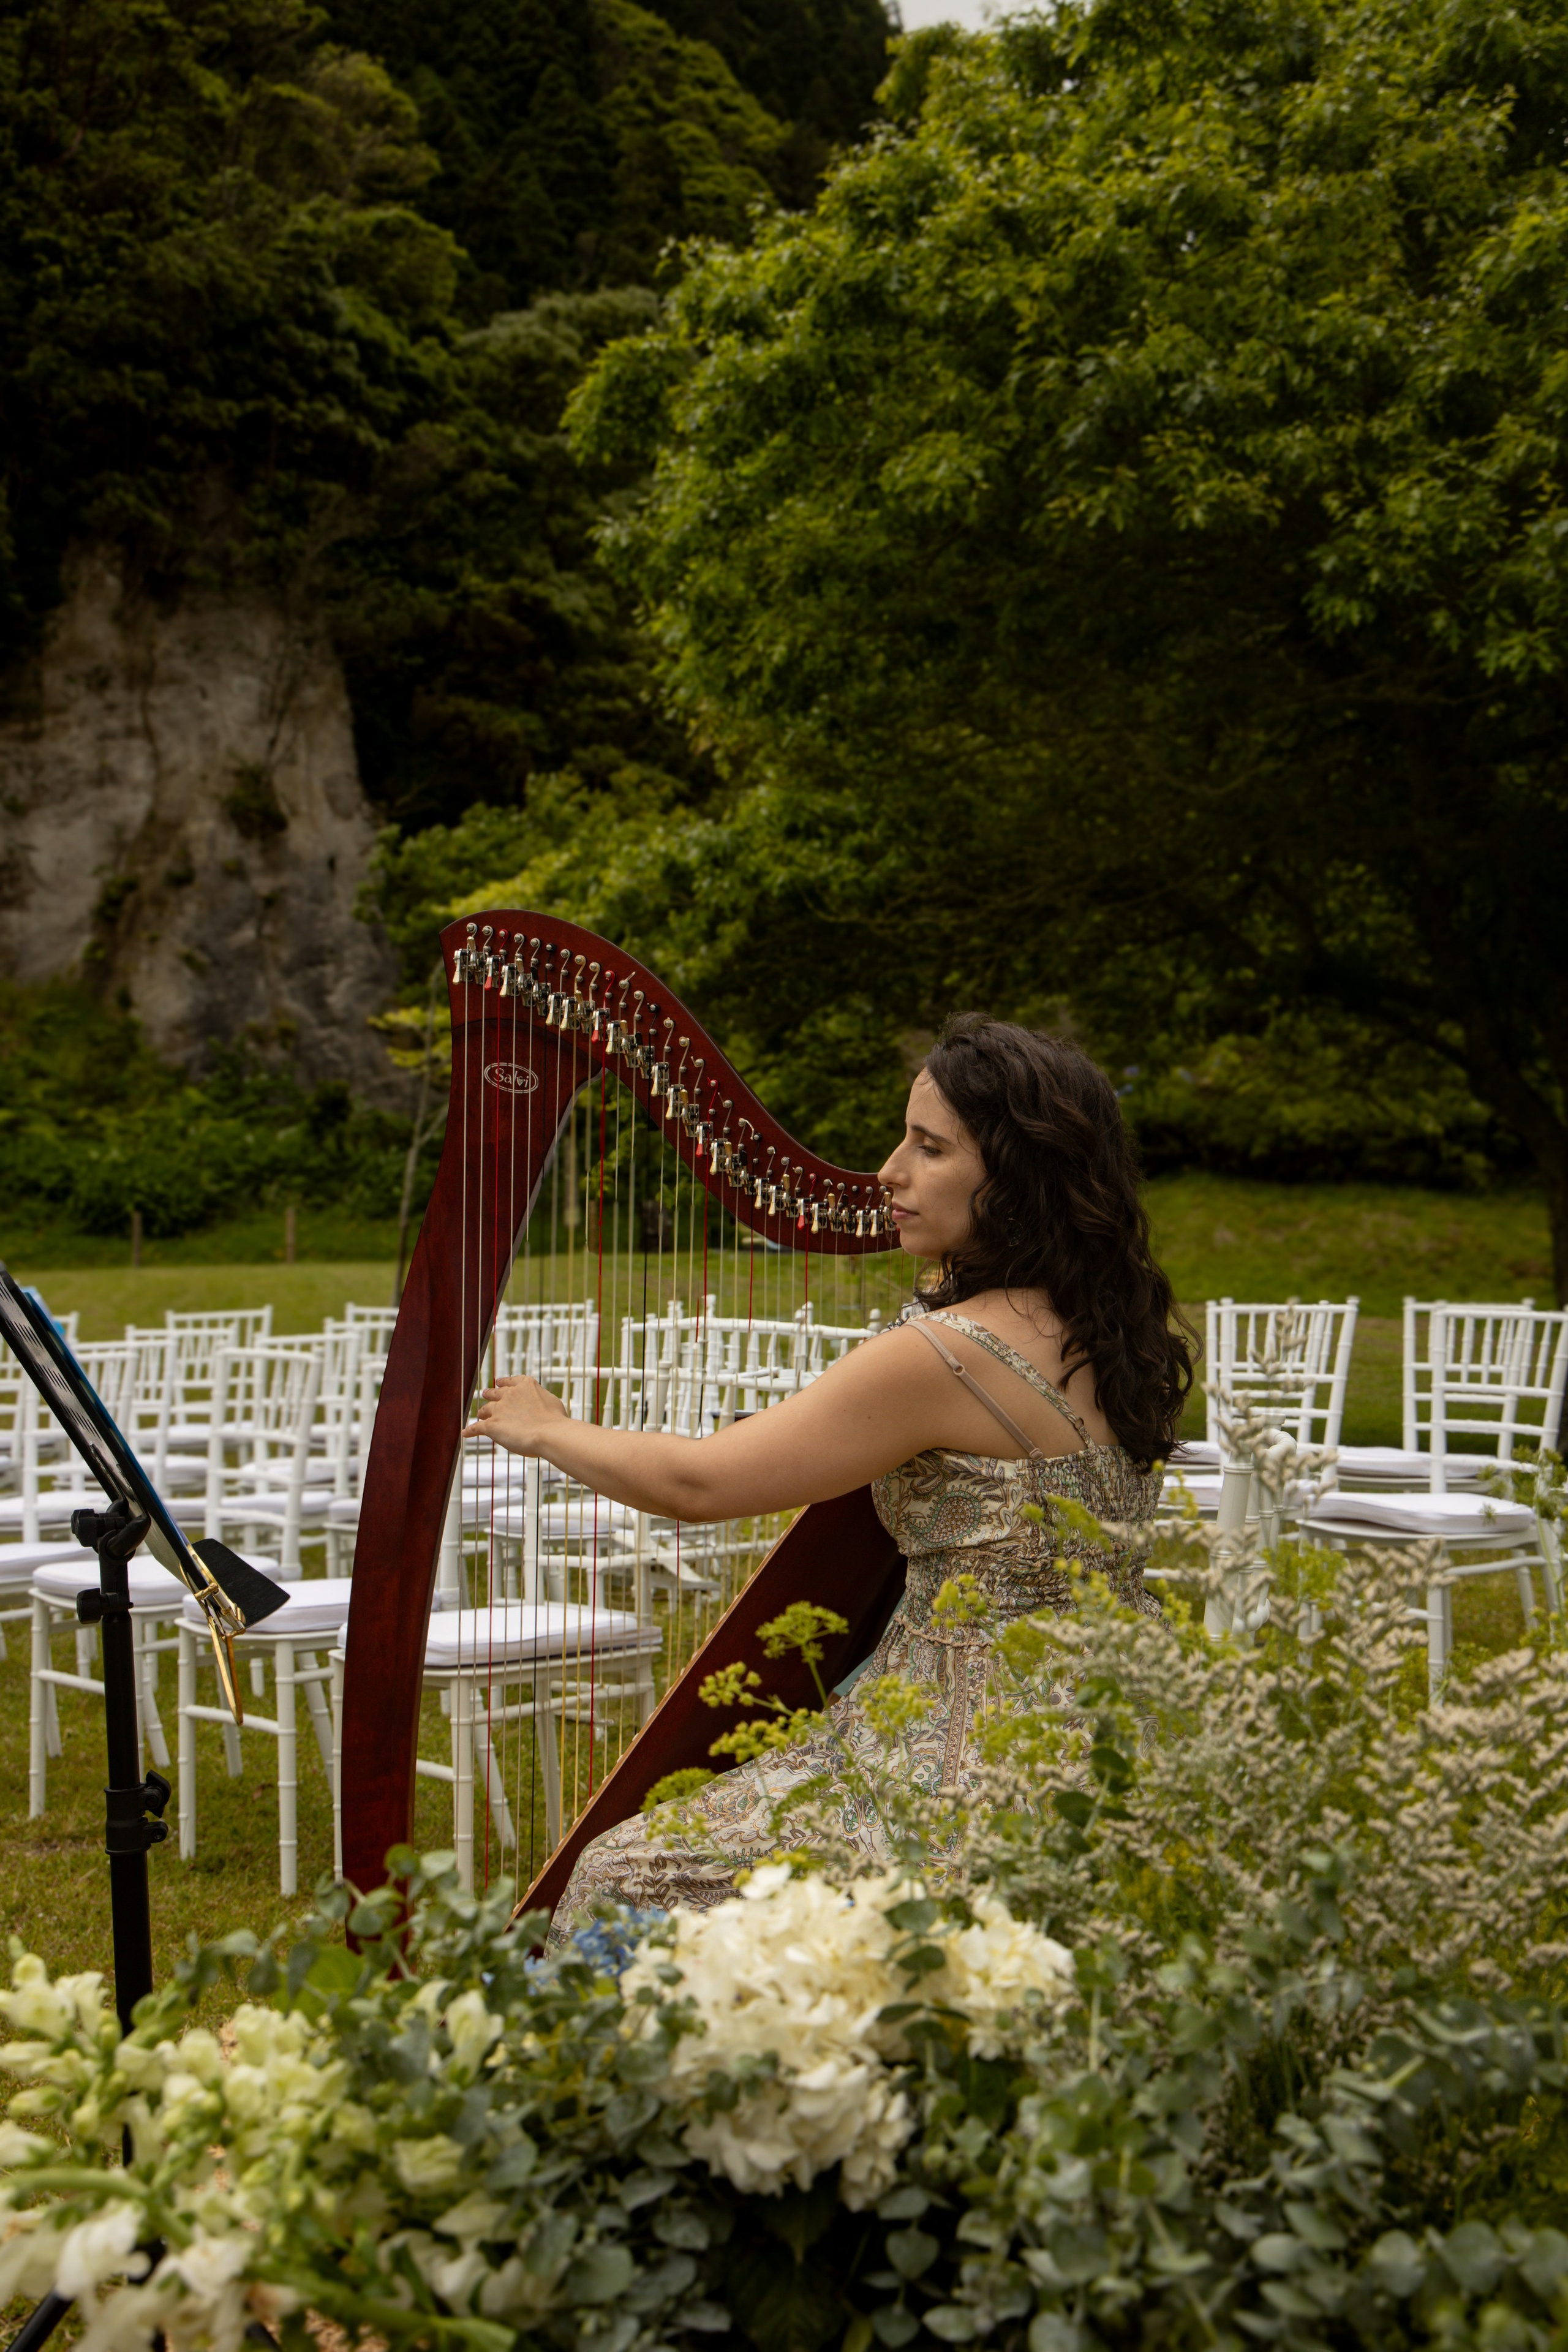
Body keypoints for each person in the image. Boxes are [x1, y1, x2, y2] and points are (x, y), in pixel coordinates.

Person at [467, 1016, 1194, 1925]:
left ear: (1018, 1179)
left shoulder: (945, 1356)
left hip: (960, 1762)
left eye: (929, 1148)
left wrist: (550, 1430)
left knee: (618, 1877)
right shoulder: (1109, 1331)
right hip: (1123, 1724)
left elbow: (700, 1483)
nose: (888, 1171)